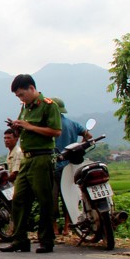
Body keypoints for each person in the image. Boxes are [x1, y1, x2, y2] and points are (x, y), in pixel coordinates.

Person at [0, 78, 62, 253]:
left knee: (44, 200)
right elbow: (23, 129)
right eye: (18, 96)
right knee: (18, 199)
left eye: (22, 94)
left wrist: (29, 126)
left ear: (32, 88)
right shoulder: (25, 107)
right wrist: (17, 127)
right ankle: (20, 239)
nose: (20, 98)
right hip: (26, 158)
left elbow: (56, 131)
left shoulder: (49, 105)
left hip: (42, 157)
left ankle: (46, 240)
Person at [51, 97, 92, 235]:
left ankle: (55, 228)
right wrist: (79, 147)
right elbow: (88, 136)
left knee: (53, 197)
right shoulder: (73, 124)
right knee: (68, 196)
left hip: (55, 165)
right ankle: (67, 227)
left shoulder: (50, 126)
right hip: (70, 166)